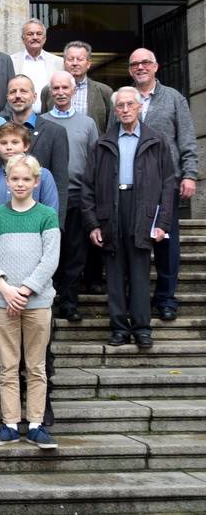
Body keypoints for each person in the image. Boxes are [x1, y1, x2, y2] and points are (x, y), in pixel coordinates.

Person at [83, 88, 175, 348]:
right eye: (120, 105)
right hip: (110, 210)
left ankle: (142, 328)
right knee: (113, 274)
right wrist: (92, 223)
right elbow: (88, 186)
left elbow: (169, 184)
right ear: (115, 111)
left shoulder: (156, 141)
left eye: (129, 104)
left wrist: (162, 223)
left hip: (142, 208)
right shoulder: (102, 143)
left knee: (140, 273)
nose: (124, 109)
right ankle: (119, 329)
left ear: (139, 108)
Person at [0, 153, 60, 450]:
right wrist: (5, 288)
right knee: (8, 365)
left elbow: (50, 258)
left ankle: (37, 424)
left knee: (36, 366)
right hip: (3, 302)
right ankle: (11, 423)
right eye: (15, 178)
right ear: (7, 180)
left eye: (26, 179)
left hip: (37, 303)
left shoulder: (46, 216)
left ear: (36, 182)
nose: (20, 184)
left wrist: (25, 290)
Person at [127, 48, 198, 321]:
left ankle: (166, 299)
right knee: (135, 245)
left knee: (167, 245)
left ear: (156, 66)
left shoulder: (173, 99)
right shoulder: (124, 98)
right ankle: (138, 299)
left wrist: (190, 174)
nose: (140, 67)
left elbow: (188, 139)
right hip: (131, 185)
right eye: (135, 64)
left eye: (145, 62)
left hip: (165, 185)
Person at [42, 71, 98, 322]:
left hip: (77, 196)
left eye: (66, 87)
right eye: (56, 88)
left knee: (75, 253)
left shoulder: (87, 124)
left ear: (74, 91)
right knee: (50, 252)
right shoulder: (40, 122)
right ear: (50, 92)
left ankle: (69, 303)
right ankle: (47, 301)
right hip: (45, 198)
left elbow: (95, 161)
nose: (61, 92)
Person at [0, 74, 69, 225]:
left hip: (41, 224)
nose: (17, 96)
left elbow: (60, 183)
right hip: (2, 223)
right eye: (12, 92)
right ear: (7, 97)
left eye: (23, 91)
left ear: (35, 96)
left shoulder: (55, 132)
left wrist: (57, 226)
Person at [0, 123, 59, 211]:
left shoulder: (42, 175)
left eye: (15, 142)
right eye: (3, 143)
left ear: (26, 146)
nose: (9, 147)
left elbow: (51, 211)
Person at [41, 41, 113, 133]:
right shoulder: (49, 90)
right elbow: (43, 123)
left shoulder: (104, 91)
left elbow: (110, 126)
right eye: (70, 59)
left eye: (79, 59)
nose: (75, 63)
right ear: (64, 62)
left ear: (88, 64)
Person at [9, 19, 64, 112]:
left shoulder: (59, 62)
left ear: (44, 38)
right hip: (19, 118)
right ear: (23, 39)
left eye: (39, 34)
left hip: (50, 117)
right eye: (30, 34)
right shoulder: (11, 61)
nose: (35, 37)